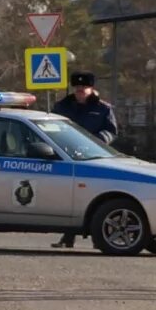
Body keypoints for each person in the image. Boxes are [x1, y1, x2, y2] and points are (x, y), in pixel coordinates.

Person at [51, 71, 119, 249]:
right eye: (78, 87)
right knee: (69, 196)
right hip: (66, 155)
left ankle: (100, 238)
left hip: (94, 156)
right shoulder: (62, 107)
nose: (81, 90)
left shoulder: (103, 109)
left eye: (84, 87)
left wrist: (99, 141)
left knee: (95, 196)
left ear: (92, 88)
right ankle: (67, 236)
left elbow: (112, 131)